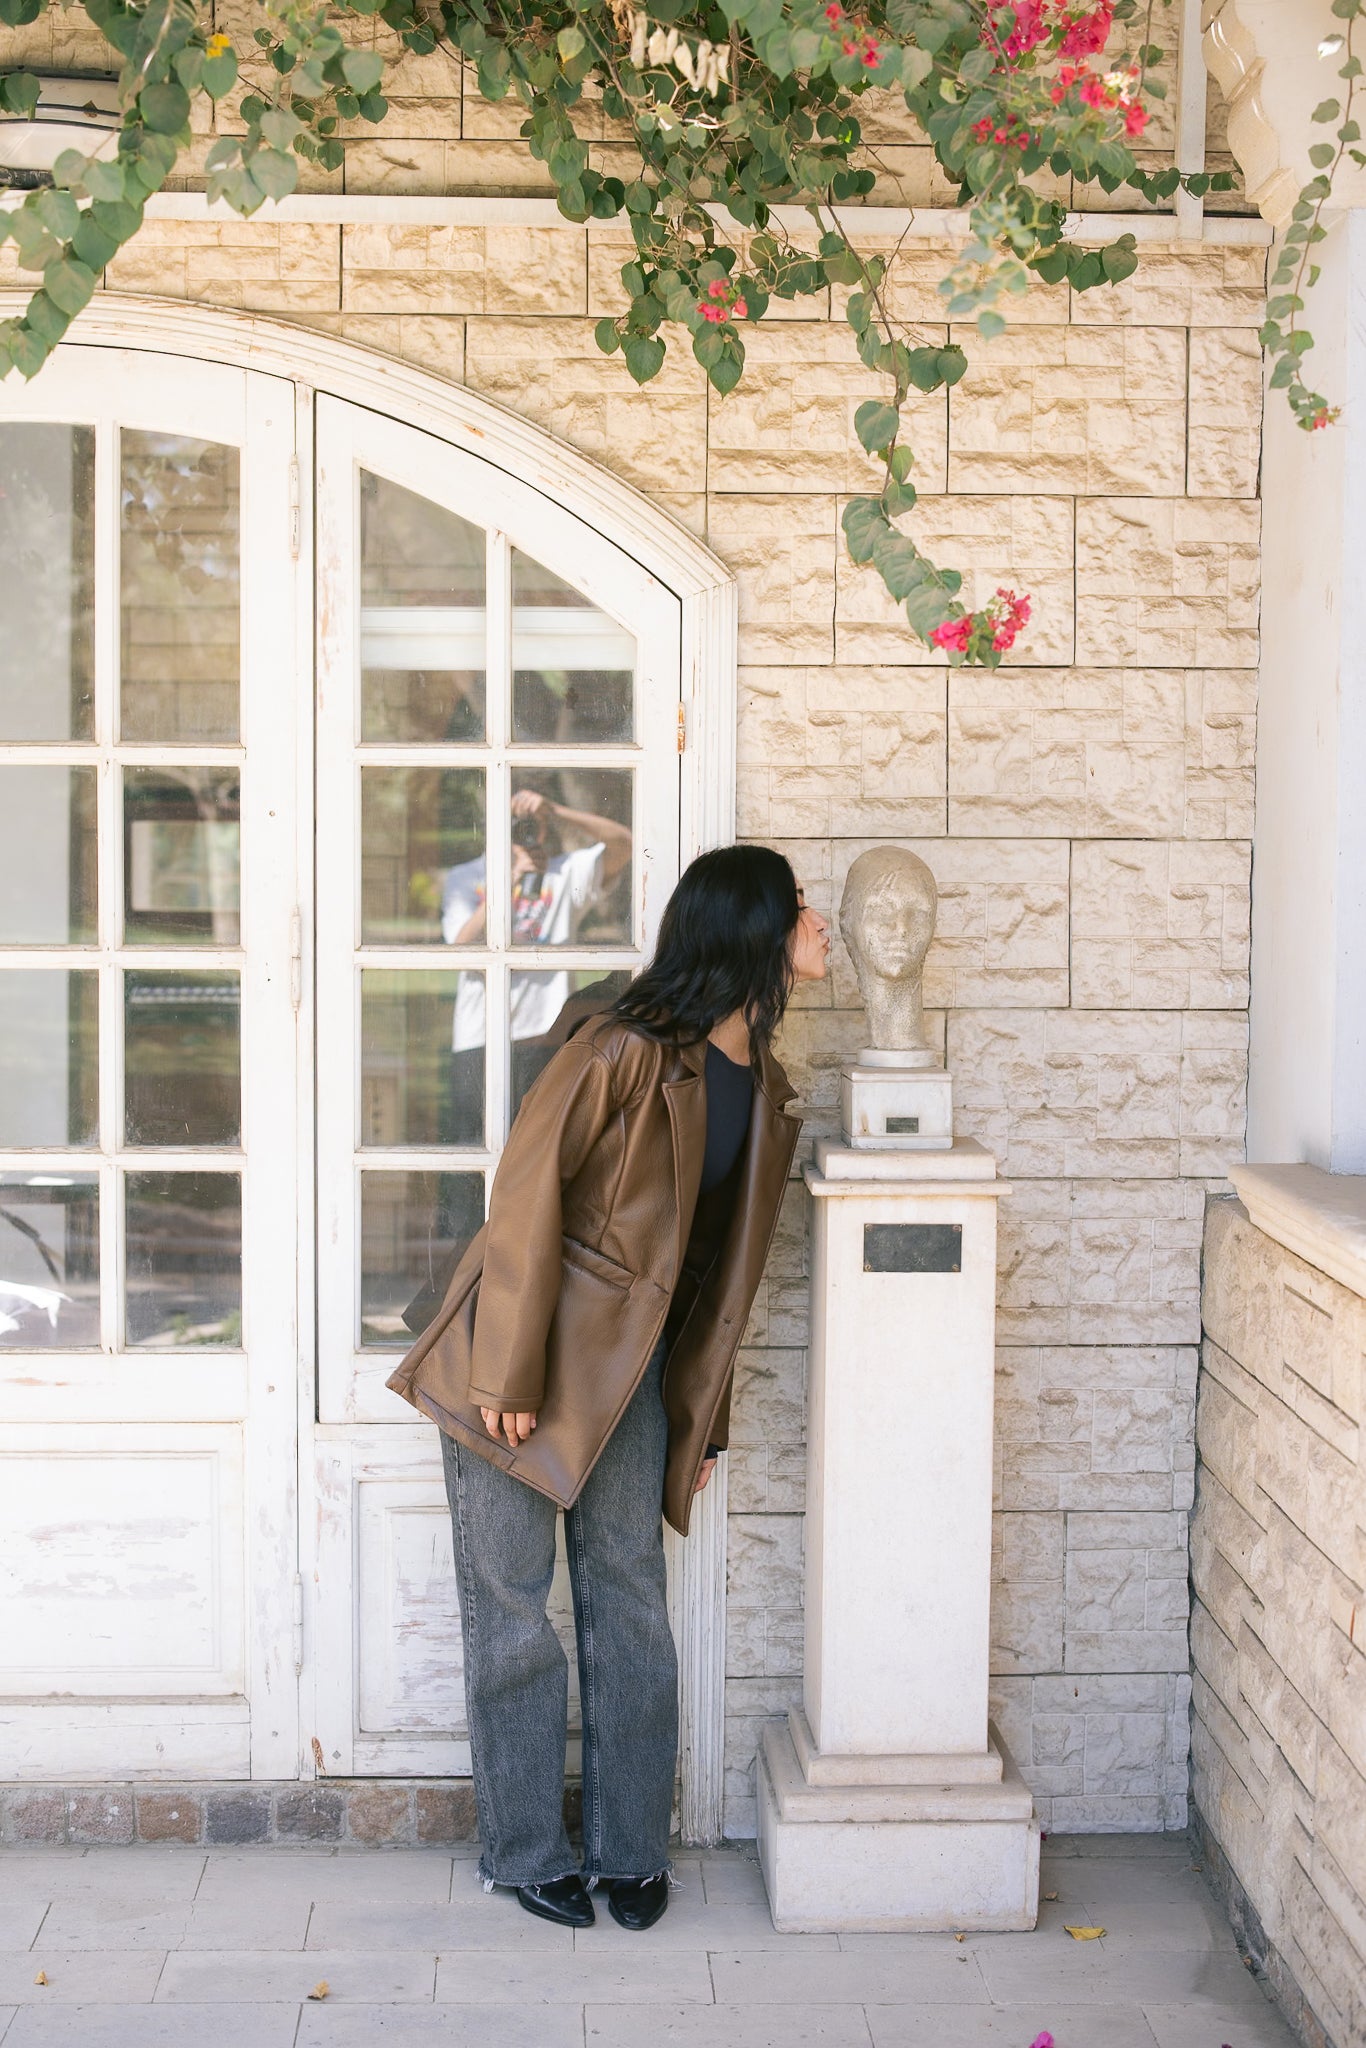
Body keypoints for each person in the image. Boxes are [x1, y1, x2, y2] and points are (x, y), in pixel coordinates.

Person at [387, 846, 831, 1932]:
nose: (820, 925)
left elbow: (716, 1281)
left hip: (627, 1385)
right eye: (801, 909)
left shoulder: (763, 1089)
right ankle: (525, 1847)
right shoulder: (622, 1048)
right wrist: (507, 1367)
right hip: (518, 1363)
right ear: (753, 932)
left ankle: (630, 1847)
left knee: (629, 1604)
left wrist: (702, 1416)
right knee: (512, 1613)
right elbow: (525, 1197)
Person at [440, 786, 633, 1124]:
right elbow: (461, 948)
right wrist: (509, 877)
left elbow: (624, 844)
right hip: (481, 1036)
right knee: (474, 1147)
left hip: (547, 1036)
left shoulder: (562, 874)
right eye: (514, 823)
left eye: (531, 823)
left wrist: (557, 810)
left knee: (542, 1147)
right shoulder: (465, 877)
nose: (523, 833)